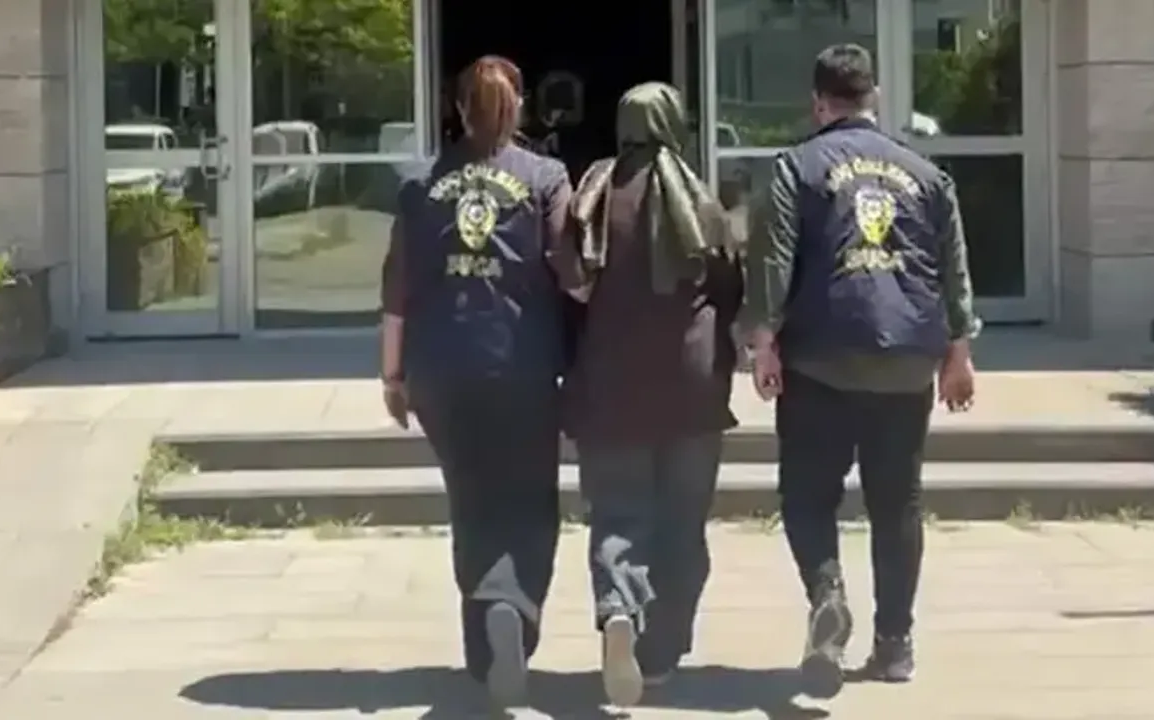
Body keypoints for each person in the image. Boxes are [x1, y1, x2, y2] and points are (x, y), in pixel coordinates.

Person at [741, 44, 979, 699]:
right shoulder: (926, 174)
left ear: (819, 102)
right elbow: (953, 266)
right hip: (907, 359)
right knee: (897, 503)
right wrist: (959, 351)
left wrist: (763, 341)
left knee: (806, 496)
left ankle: (828, 596)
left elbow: (774, 261)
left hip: (821, 356)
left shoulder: (796, 167)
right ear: (873, 97)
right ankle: (895, 644)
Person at [378, 55, 588, 708]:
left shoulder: (420, 185)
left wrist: (392, 374)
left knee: (471, 502)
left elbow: (396, 290)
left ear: (458, 109)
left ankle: (483, 641)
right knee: (529, 501)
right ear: (517, 107)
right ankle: (513, 609)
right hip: (522, 366)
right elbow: (570, 271)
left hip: (440, 370)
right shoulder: (545, 177)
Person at [564, 81, 742, 707]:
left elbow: (567, 291)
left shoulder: (592, 197)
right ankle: (661, 656)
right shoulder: (701, 200)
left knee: (618, 514)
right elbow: (731, 291)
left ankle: (619, 609)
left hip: (611, 385)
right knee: (683, 525)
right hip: (692, 388)